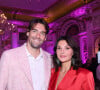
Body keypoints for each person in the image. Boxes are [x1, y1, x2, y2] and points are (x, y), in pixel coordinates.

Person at [0, 18, 52, 90]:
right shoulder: (9, 56)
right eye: (34, 31)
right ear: (28, 33)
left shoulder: (50, 59)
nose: (38, 36)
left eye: (42, 33)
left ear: (45, 37)